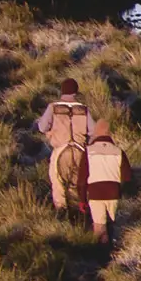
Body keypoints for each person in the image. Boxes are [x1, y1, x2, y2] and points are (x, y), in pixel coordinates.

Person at [37, 83, 96, 212]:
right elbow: (93, 132)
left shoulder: (53, 107)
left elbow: (42, 127)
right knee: (81, 185)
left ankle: (62, 214)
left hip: (60, 150)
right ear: (75, 92)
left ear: (62, 91)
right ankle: (83, 213)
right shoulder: (84, 109)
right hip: (80, 150)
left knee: (58, 185)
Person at [79, 130, 126, 239]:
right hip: (114, 194)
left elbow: (81, 181)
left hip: (95, 194)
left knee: (99, 227)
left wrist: (82, 200)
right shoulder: (119, 151)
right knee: (111, 224)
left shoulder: (88, 151)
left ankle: (101, 250)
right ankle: (113, 247)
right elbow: (127, 177)